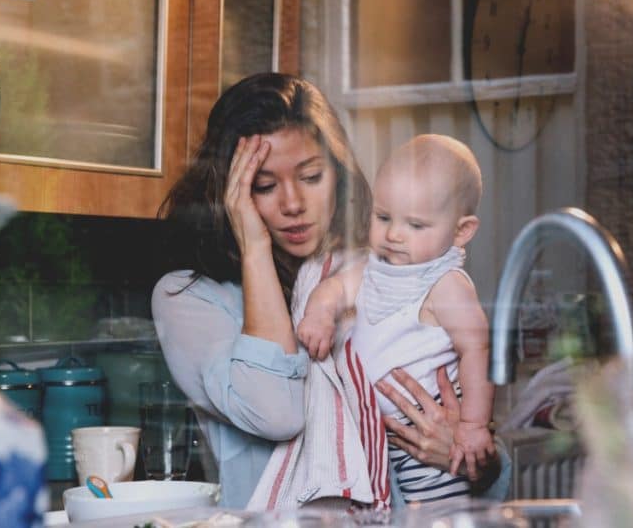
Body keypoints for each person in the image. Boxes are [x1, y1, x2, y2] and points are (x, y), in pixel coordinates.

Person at [150, 73, 508, 510]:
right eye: (263, 186)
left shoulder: (382, 275)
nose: (293, 203)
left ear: (337, 177)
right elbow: (277, 412)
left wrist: (470, 456)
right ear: (230, 192)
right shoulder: (189, 299)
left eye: (312, 176)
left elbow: (490, 467)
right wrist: (255, 245)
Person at [297, 134, 494, 504]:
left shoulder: (445, 284)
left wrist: (472, 425)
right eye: (383, 217)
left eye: (416, 225)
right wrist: (320, 314)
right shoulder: (375, 269)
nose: (393, 235)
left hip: (430, 436)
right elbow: (336, 289)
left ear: (461, 231)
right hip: (382, 438)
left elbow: (478, 350)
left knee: (439, 513)